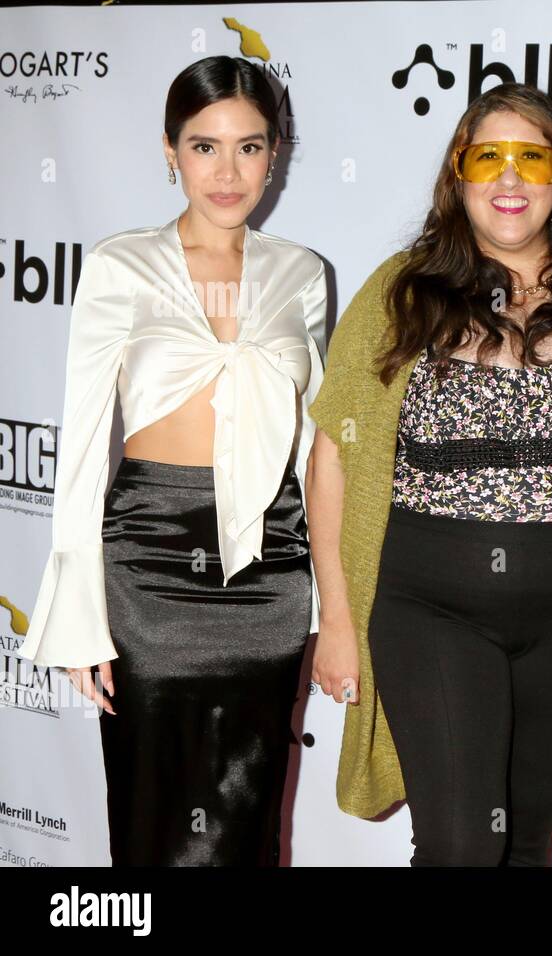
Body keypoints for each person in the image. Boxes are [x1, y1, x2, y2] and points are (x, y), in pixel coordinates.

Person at [307, 82, 552, 866]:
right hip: (433, 606)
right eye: (487, 158)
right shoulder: (403, 291)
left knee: (526, 843)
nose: (508, 179)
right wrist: (335, 616)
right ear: (458, 177)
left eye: (530, 158)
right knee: (461, 847)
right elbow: (334, 453)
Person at [18, 55, 326, 866]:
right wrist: (81, 607)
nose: (228, 172)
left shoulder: (302, 276)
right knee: (151, 814)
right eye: (204, 147)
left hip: (270, 564)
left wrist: (330, 603)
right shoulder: (121, 264)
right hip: (148, 563)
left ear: (276, 153)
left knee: (250, 815)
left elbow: (314, 446)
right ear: (169, 151)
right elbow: (84, 438)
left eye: (250, 147)